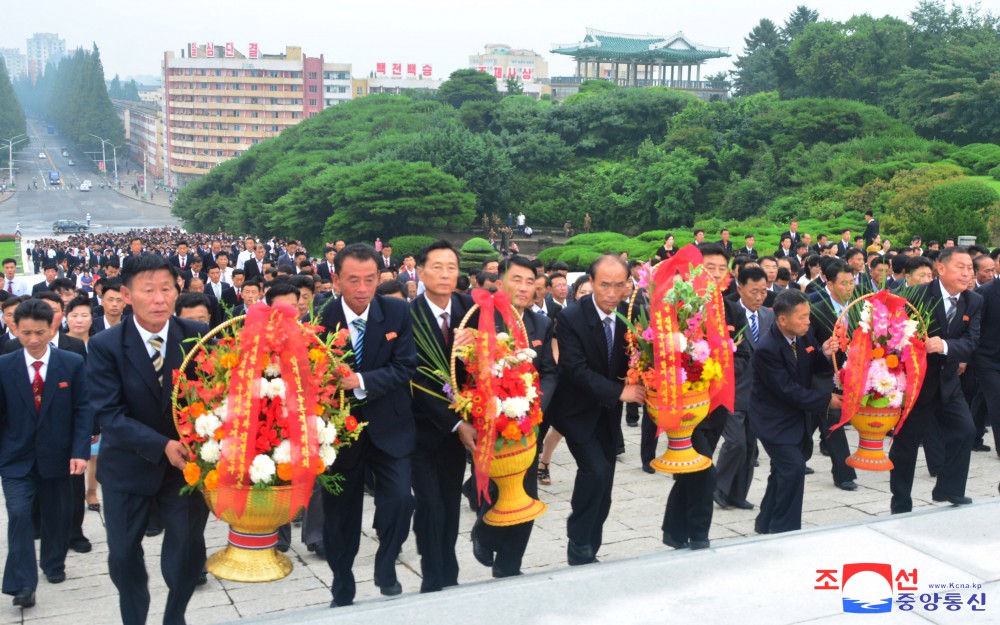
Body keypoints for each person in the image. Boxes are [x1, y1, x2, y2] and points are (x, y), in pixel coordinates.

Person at [88, 254, 210, 625]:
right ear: (126, 294)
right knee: (124, 557)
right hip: (128, 467)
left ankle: (175, 616)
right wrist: (161, 445)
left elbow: (211, 397)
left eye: (167, 289)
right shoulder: (107, 345)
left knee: (186, 553)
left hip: (184, 469)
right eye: (148, 291)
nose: (159, 299)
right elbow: (109, 414)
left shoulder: (195, 336)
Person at [319, 244, 417, 608]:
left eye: (370, 280)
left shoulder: (396, 311)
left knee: (400, 501)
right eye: (353, 280)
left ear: (381, 277)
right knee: (340, 514)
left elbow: (405, 366)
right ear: (336, 280)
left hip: (390, 424)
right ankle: (342, 581)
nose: (362, 288)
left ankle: (386, 562)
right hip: (340, 435)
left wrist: (358, 380)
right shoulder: (321, 318)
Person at [548, 255, 644, 565]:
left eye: (619, 285)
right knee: (595, 471)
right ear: (591, 282)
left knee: (605, 484)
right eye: (605, 285)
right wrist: (622, 391)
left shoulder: (631, 316)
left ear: (628, 285)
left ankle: (591, 544)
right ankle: (578, 542)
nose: (612, 293)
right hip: (575, 410)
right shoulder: (572, 317)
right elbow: (575, 370)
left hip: (607, 412)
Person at [0, 299, 91, 609]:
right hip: (15, 459)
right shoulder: (4, 366)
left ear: (53, 326)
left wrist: (80, 451)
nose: (34, 340)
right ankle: (23, 584)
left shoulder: (72, 363)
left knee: (56, 516)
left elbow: (83, 410)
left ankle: (53, 563)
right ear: (14, 329)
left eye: (40, 332)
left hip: (59, 455)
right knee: (19, 514)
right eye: (26, 333)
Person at [472, 256, 557, 578]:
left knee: (527, 495)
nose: (524, 287)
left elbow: (549, 371)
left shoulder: (540, 324)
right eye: (516, 280)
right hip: (490, 423)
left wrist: (535, 405)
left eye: (529, 281)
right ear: (501, 281)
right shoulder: (480, 320)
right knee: (493, 490)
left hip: (527, 423)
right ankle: (483, 532)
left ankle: (509, 567)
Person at [659, 245, 749, 551]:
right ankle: (699, 535)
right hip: (686, 407)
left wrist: (720, 366)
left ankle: (673, 531)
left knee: (693, 470)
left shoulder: (732, 309)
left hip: (716, 406)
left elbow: (744, 354)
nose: (714, 274)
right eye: (708, 267)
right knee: (703, 472)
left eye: (721, 269)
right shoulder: (681, 307)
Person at [889, 247, 982, 513]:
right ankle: (900, 502)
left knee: (965, 431)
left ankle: (949, 490)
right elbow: (892, 335)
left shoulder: (973, 301)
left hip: (948, 384)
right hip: (915, 387)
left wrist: (944, 345)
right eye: (960, 267)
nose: (967, 273)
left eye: (970, 268)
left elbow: (971, 342)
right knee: (905, 448)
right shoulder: (915, 296)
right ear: (941, 269)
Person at [409, 241, 474, 593]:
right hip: (422, 431)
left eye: (451, 266)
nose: (445, 274)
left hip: (461, 432)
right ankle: (433, 575)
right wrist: (456, 423)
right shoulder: (407, 316)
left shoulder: (470, 310)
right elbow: (414, 379)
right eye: (437, 267)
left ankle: (447, 569)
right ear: (421, 273)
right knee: (430, 505)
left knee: (449, 503)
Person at [749, 290, 840, 534]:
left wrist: (824, 353)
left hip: (796, 417)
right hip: (774, 420)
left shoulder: (803, 335)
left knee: (782, 471)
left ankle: (765, 523)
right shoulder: (767, 349)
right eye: (802, 317)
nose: (808, 322)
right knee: (793, 468)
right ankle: (785, 531)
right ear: (782, 320)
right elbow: (787, 390)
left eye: (808, 316)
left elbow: (811, 366)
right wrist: (826, 400)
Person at [716, 266, 773, 510]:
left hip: (758, 395)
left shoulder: (768, 316)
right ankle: (717, 486)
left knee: (750, 448)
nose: (759, 297)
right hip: (733, 391)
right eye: (754, 292)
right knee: (735, 443)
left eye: (763, 292)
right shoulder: (727, 312)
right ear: (740, 289)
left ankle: (738, 494)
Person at [804, 261, 860, 491]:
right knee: (833, 418)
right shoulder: (816, 308)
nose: (849, 288)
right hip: (822, 374)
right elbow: (806, 345)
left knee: (812, 423)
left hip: (849, 374)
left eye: (852, 282)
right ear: (829, 283)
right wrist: (823, 351)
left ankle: (797, 457)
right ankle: (844, 473)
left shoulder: (857, 307)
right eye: (843, 283)